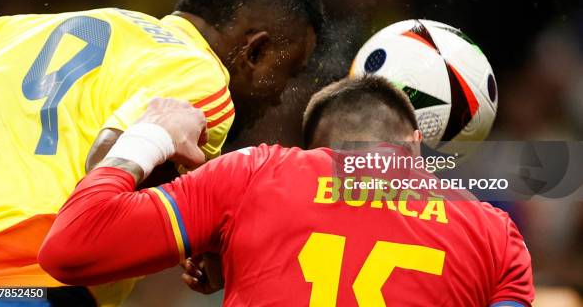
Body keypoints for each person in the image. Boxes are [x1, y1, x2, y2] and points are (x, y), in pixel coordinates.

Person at [0, 0, 323, 305]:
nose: (281, 95)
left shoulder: (10, 32)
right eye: (288, 71)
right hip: (34, 285)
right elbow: (105, 164)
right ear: (256, 50)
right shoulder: (200, 76)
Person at [38, 76, 534, 306]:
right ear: (414, 145)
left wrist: (151, 134)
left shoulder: (254, 174)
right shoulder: (496, 235)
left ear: (317, 149)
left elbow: (71, 248)